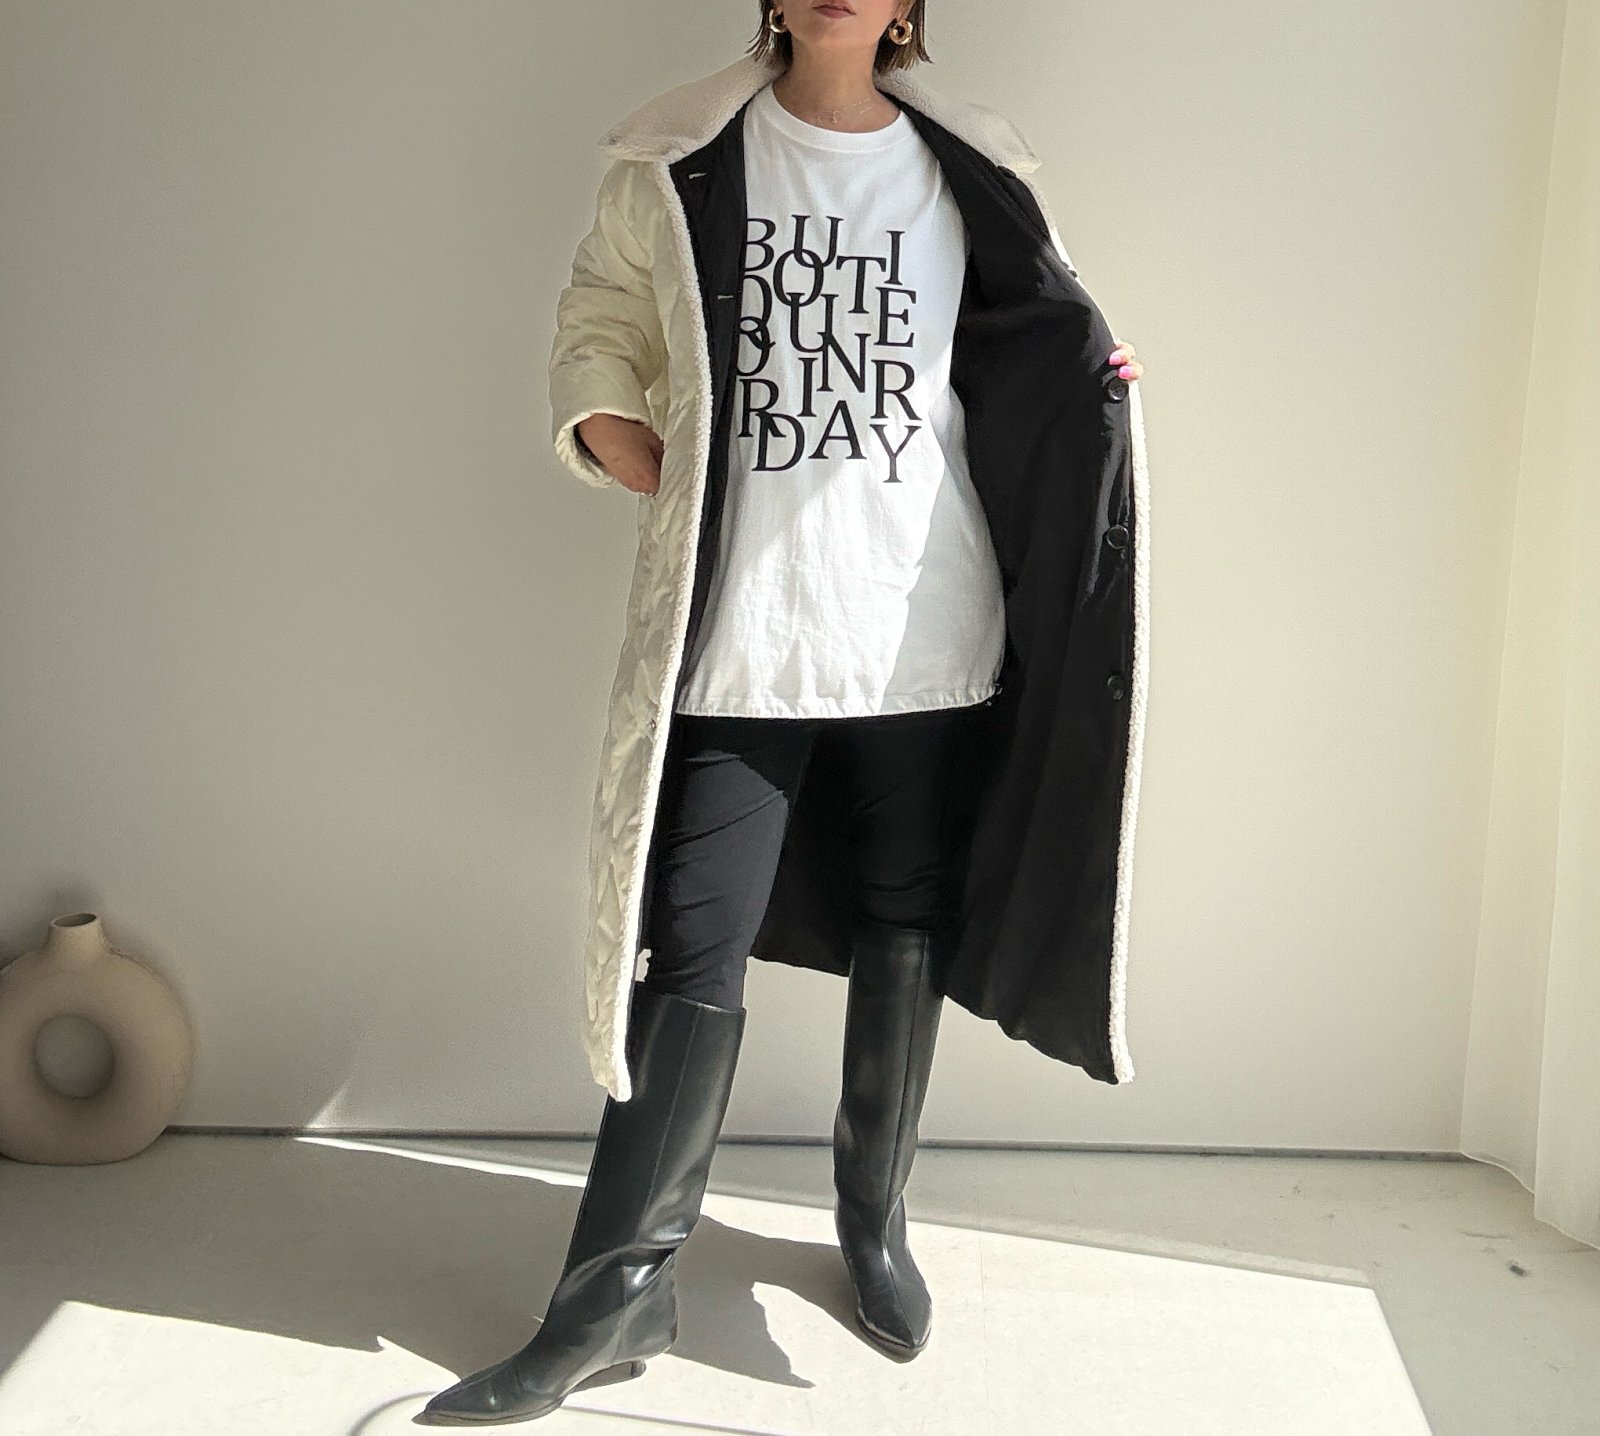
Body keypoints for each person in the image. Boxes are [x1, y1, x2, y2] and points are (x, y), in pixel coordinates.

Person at [421, 1, 1146, 1424]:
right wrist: (604, 417)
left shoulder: (973, 164)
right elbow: (601, 311)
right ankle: (613, 1299)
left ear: (908, 6)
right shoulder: (683, 154)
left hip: (922, 615)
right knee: (690, 946)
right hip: (747, 619)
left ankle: (873, 1223)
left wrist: (1098, 384)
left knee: (905, 916)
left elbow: (1031, 341)